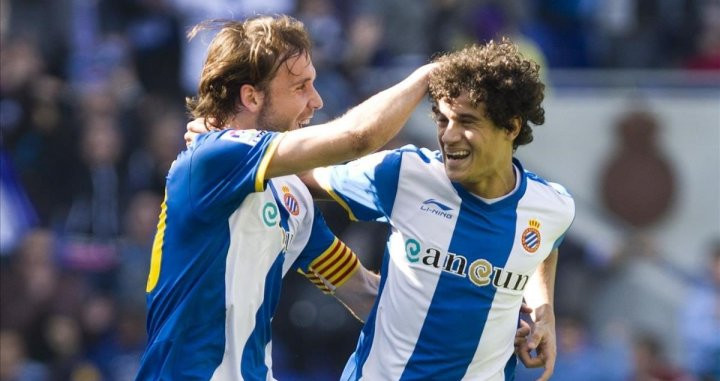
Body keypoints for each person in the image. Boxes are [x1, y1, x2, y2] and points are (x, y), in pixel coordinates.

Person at [136, 15, 436, 380]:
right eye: (300, 87)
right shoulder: (213, 158)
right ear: (250, 96)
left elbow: (363, 291)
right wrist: (429, 75)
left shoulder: (291, 193)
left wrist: (492, 321)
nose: (317, 100)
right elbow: (357, 137)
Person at [306, 39, 575, 380]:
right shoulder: (404, 174)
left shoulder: (553, 206)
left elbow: (544, 246)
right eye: (442, 120)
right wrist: (422, 78)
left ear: (511, 126)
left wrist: (544, 311)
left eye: (466, 121)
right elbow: (301, 179)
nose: (449, 136)